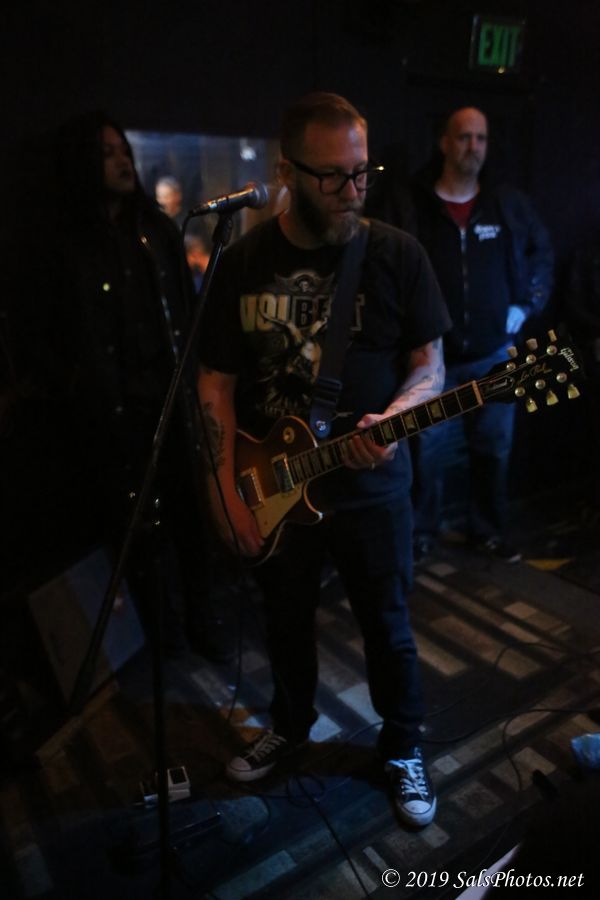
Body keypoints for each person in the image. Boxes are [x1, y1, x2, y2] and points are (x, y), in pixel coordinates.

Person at [196, 92, 451, 828]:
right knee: (284, 620)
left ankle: (402, 746)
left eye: (361, 171)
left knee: (388, 626)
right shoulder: (242, 262)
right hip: (274, 483)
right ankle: (291, 725)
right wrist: (223, 492)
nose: (352, 188)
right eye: (332, 175)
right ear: (287, 172)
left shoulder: (396, 254)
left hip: (372, 485)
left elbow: (430, 366)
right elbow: (214, 386)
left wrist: (395, 420)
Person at [10, 111, 230, 662]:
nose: (121, 162)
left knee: (189, 517)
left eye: (123, 151)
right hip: (111, 415)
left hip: (167, 403)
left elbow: (186, 312)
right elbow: (37, 332)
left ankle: (202, 620)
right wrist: (75, 384)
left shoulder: (155, 231)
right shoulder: (63, 245)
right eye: (106, 153)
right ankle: (163, 632)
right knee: (136, 530)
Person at [408, 107, 554, 563]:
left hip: (494, 354)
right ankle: (421, 534)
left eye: (481, 138)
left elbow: (542, 253)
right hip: (435, 359)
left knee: (493, 449)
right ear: (445, 143)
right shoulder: (417, 205)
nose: (474, 147)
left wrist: (526, 303)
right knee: (425, 452)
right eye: (464, 137)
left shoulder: (506, 204)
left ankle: (486, 531)